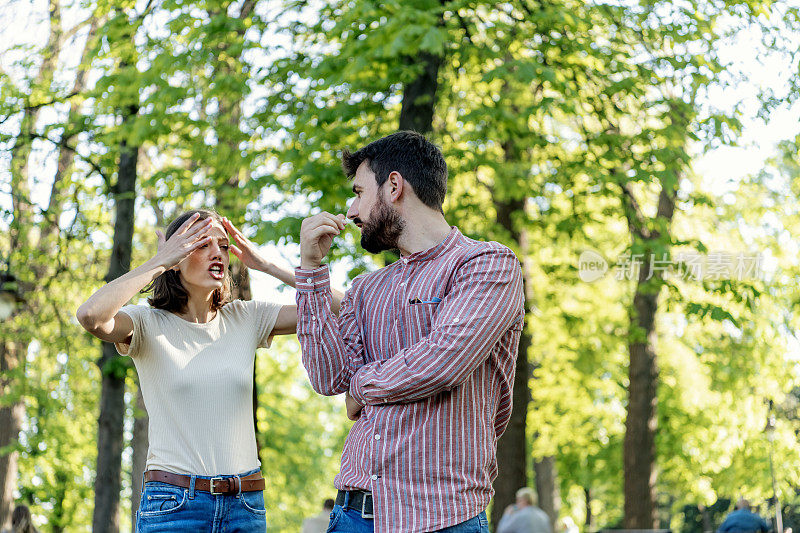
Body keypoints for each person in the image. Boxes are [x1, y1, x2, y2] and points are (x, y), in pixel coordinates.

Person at [296, 131, 525, 532]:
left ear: (394, 186)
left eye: (358, 192)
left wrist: (362, 387)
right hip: (353, 513)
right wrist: (312, 272)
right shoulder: (366, 289)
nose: (351, 211)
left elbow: (442, 362)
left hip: (443, 516)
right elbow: (329, 377)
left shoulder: (486, 264)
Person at [77, 209, 341, 531]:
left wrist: (267, 266)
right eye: (202, 243)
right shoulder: (147, 323)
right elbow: (90, 315)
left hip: (245, 505)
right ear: (177, 255)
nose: (217, 252)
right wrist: (158, 263)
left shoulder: (246, 318)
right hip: (173, 506)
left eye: (224, 246)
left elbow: (342, 306)